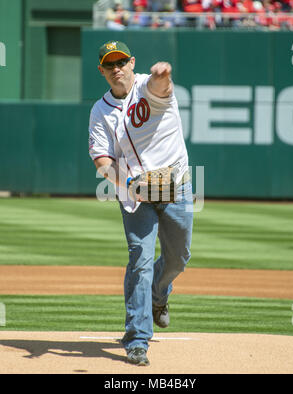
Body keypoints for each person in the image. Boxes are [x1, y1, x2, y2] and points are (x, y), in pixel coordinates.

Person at [88, 40, 193, 366]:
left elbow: (162, 85)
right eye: (109, 64)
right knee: (140, 260)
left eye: (121, 62)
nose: (116, 68)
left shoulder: (149, 87)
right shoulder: (100, 110)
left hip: (174, 186)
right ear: (102, 70)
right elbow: (103, 162)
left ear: (133, 63)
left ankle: (160, 295)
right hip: (135, 194)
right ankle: (137, 340)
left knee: (178, 259)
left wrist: (163, 74)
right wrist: (129, 184)